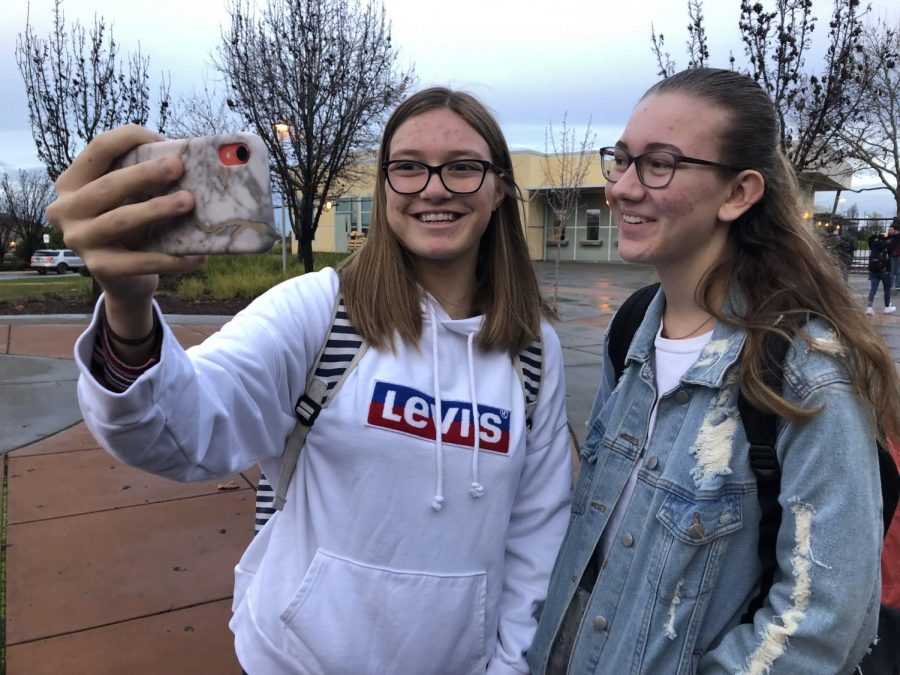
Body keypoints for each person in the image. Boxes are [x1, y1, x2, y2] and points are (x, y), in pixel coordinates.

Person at [48, 87, 573, 674]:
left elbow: (536, 537)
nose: (434, 187)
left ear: (500, 188)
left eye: (463, 168)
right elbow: (181, 432)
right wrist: (128, 310)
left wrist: (507, 666)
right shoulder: (319, 312)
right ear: (383, 186)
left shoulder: (533, 353)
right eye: (408, 168)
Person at [527, 67, 900, 673]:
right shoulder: (631, 332)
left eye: (659, 164)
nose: (621, 188)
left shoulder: (806, 374)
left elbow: (822, 627)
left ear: (739, 193)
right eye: (620, 159)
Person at [866, 230, 895, 315]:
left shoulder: (874, 245)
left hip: (874, 271)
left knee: (873, 289)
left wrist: (878, 235)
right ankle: (887, 307)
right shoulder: (888, 246)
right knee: (887, 289)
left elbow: (870, 238)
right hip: (885, 271)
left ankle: (869, 308)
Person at [890, 220, 900, 290]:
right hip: (893, 254)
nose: (890, 230)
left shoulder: (895, 236)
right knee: (892, 270)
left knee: (898, 270)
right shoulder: (891, 236)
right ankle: (891, 284)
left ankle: (897, 285)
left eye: (892, 229)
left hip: (897, 254)